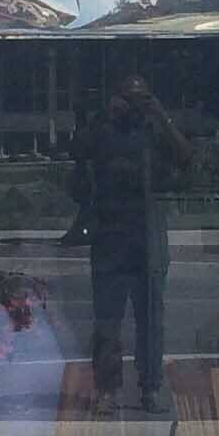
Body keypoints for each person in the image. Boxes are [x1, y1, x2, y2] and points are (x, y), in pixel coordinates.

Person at [69, 70, 187, 413]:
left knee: (151, 315)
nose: (135, 106)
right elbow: (77, 150)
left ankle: (150, 387)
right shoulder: (103, 128)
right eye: (130, 98)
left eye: (142, 98)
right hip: (109, 233)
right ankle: (107, 389)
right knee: (107, 318)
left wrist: (161, 116)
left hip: (147, 233)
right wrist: (106, 114)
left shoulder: (153, 128)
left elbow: (186, 156)